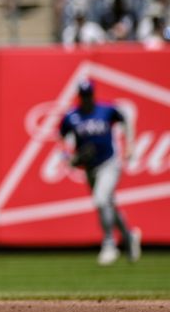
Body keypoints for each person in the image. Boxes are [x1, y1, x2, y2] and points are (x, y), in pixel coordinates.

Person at [59, 80, 141, 266]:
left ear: (93, 95)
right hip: (89, 167)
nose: (87, 98)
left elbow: (125, 119)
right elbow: (62, 138)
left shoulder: (106, 110)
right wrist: (68, 158)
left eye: (89, 94)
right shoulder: (71, 116)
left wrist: (130, 145)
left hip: (109, 162)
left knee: (101, 199)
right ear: (79, 96)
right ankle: (129, 237)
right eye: (84, 95)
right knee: (108, 204)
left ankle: (109, 245)